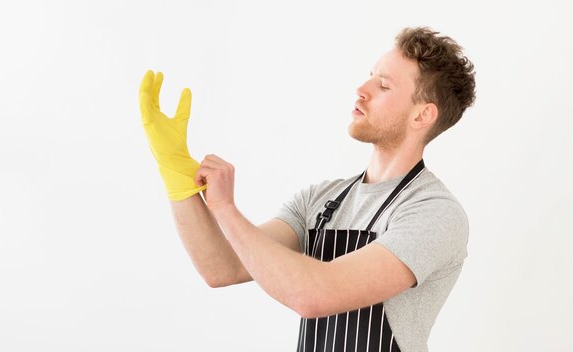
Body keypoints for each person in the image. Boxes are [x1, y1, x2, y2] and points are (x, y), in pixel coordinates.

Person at [138, 26, 476, 352]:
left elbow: (314, 295)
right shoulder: (321, 199)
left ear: (422, 116)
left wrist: (226, 209)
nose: (361, 88)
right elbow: (223, 266)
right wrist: (177, 177)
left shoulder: (434, 212)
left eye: (383, 86)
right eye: (369, 75)